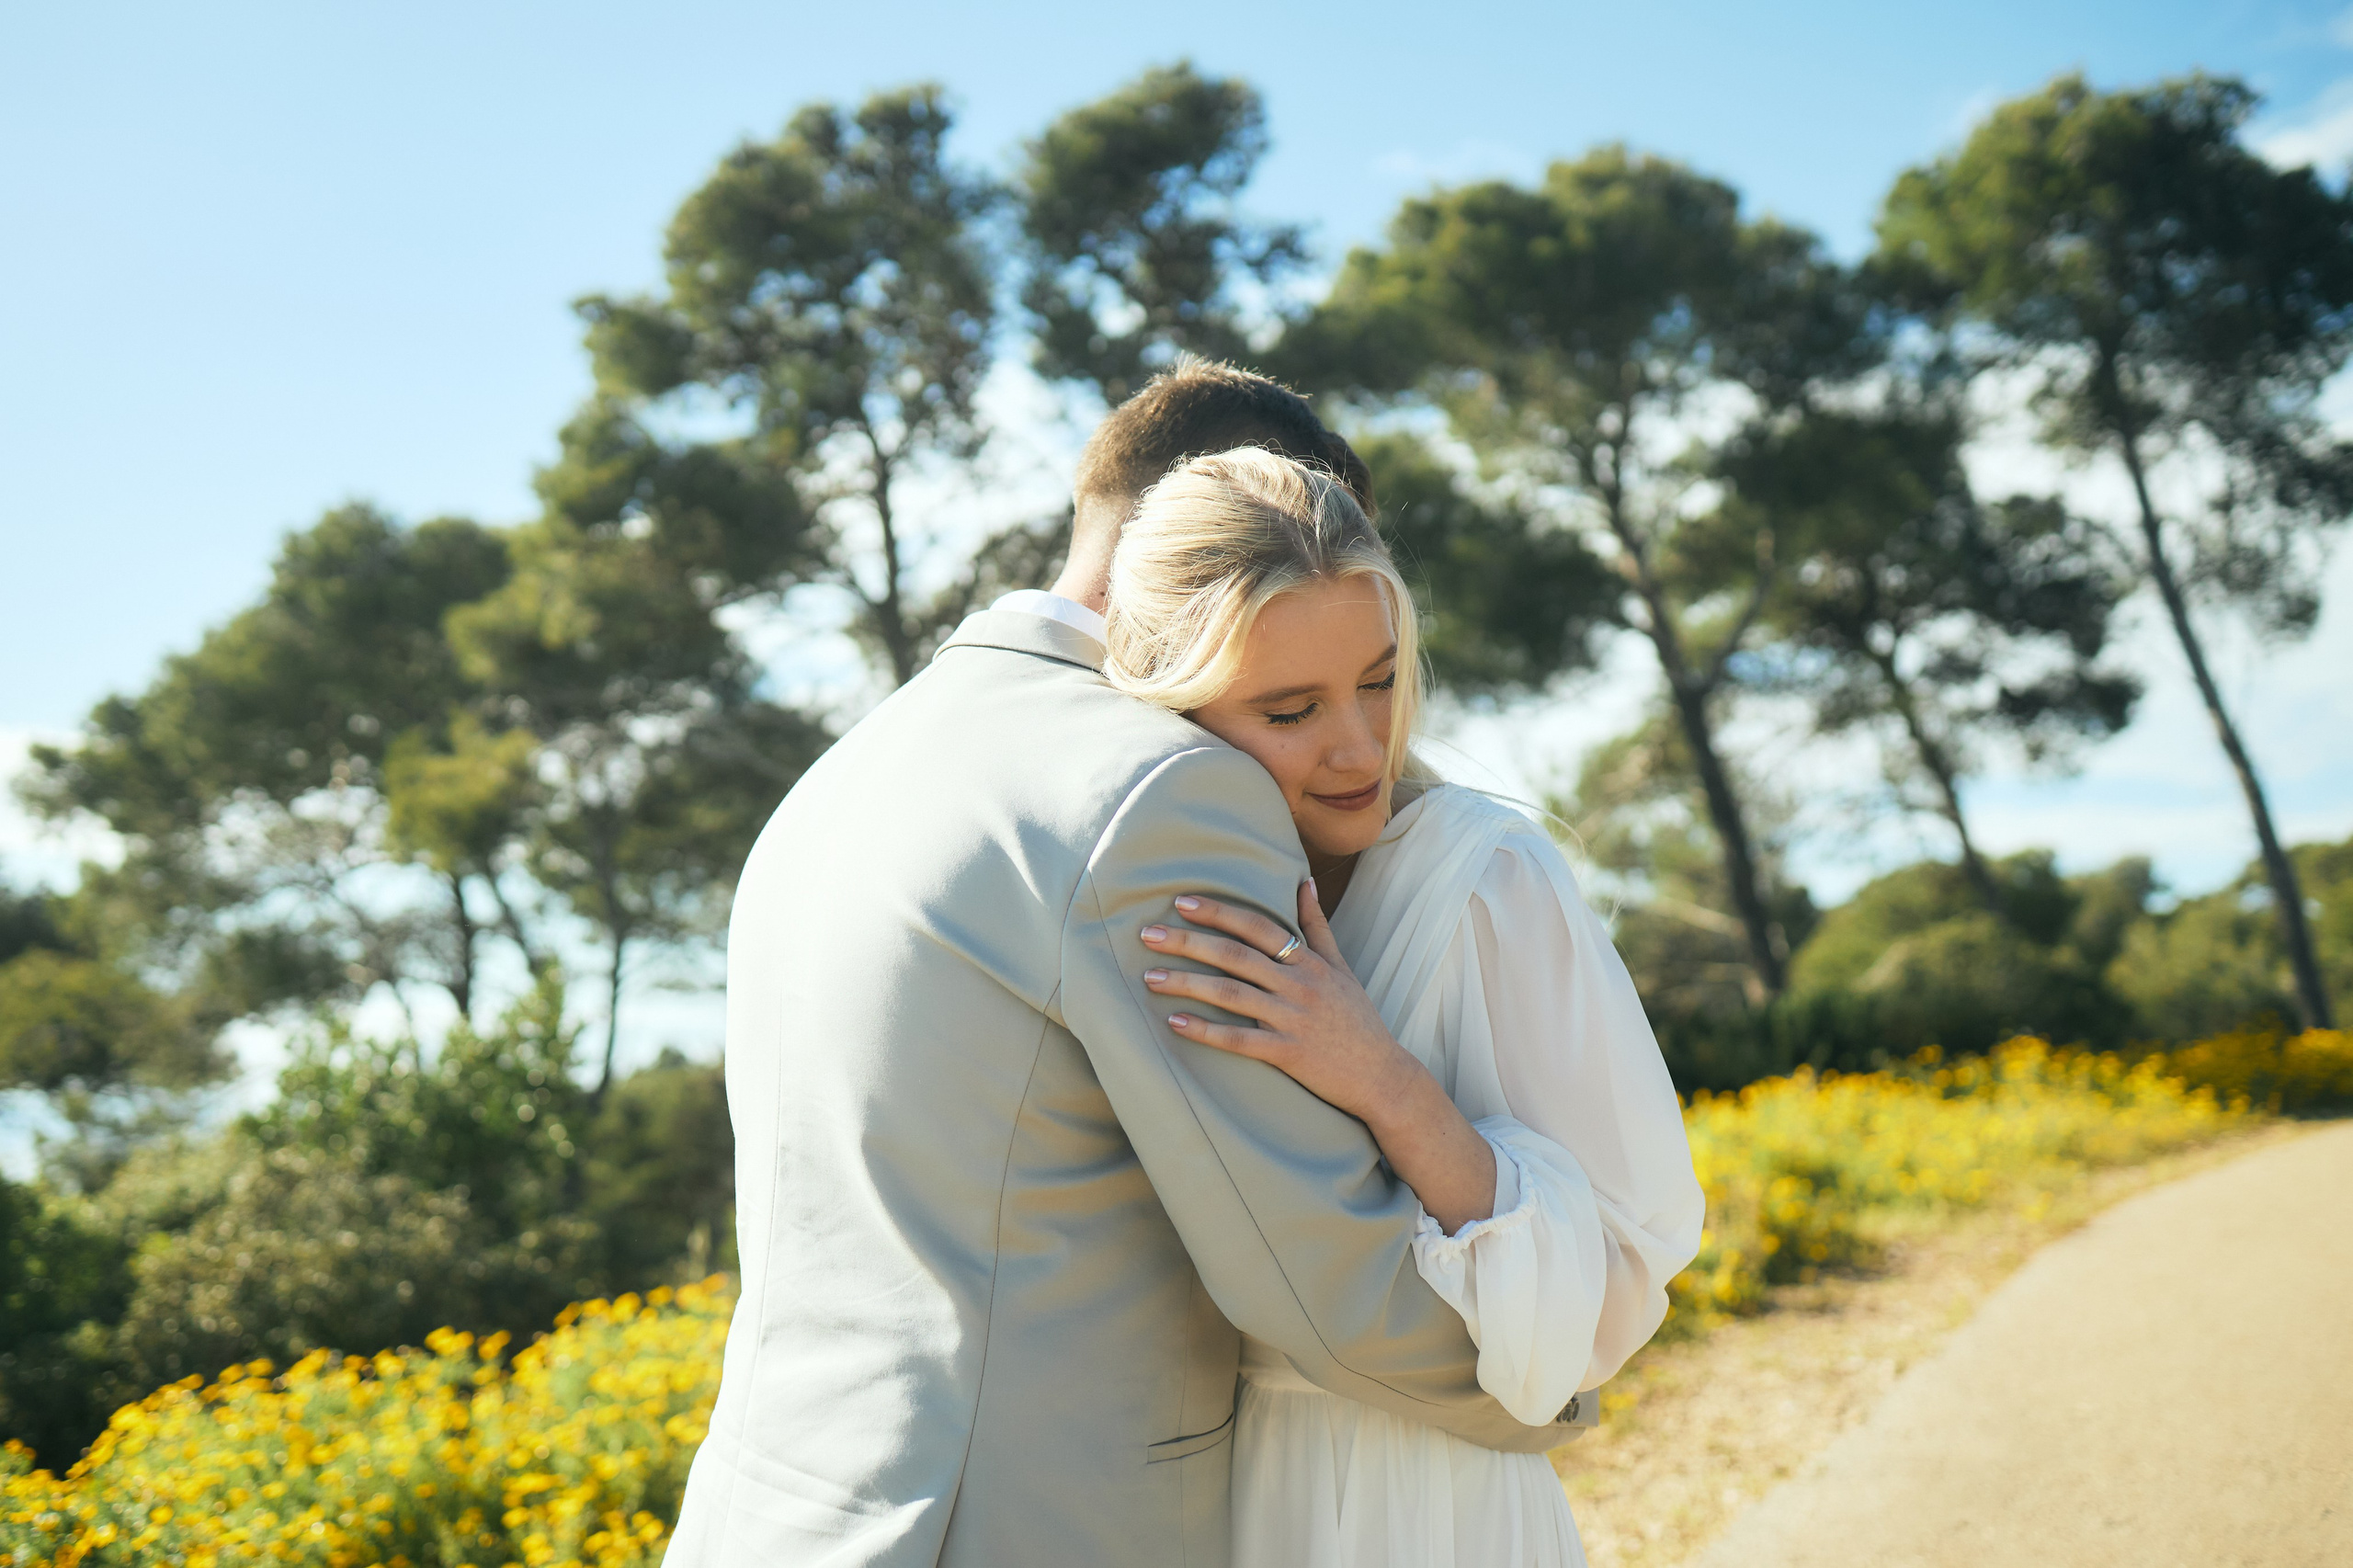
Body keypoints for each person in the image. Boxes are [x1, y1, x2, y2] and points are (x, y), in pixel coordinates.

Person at [665, 362, 1565, 1568]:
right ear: (1215, 523)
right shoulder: (1157, 790)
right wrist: (1553, 1357)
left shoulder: (835, 782)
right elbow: (1316, 1275)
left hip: (774, 1519)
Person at [1104, 446, 1705, 1567]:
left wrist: (1378, 1075)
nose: (1359, 745)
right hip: (1191, 1498)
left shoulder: (1490, 876)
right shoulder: (1133, 902)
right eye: (1290, 708)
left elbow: (1622, 1267)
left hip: (1420, 1498)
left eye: (1379, 680)